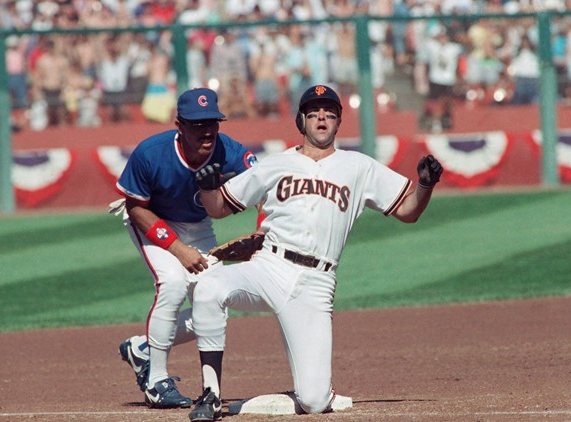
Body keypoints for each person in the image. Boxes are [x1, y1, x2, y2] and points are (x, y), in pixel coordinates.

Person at [186, 85, 443, 421]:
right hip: (270, 266)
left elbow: (408, 211)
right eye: (314, 112)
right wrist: (207, 188)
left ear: (338, 123)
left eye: (330, 112)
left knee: (314, 401)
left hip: (317, 283)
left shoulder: (359, 167)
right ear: (301, 121)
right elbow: (219, 207)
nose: (322, 116)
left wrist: (425, 185)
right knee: (209, 287)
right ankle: (210, 393)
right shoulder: (277, 164)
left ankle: (243, 405)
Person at [114, 87, 258, 409]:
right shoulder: (151, 153)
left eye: (212, 122)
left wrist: (261, 231)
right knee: (173, 283)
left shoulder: (231, 152)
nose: (206, 131)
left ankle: (142, 348)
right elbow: (136, 207)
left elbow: (264, 189)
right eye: (196, 124)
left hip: (199, 226)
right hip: (152, 220)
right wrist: (178, 249)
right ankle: (156, 381)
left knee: (214, 298)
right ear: (179, 125)